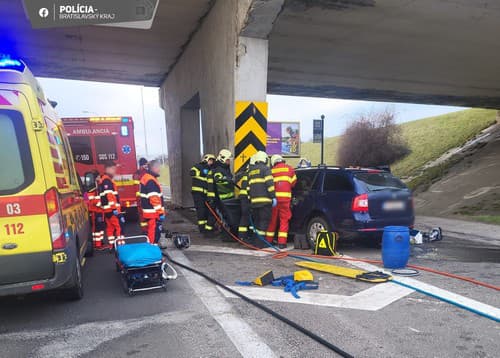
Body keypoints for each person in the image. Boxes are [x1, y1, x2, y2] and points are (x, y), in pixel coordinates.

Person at [266, 154, 297, 249]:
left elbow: (268, 185)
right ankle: (282, 243)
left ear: (273, 162)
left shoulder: (271, 171)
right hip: (285, 200)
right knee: (284, 220)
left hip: (274, 200)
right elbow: (293, 183)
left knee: (272, 221)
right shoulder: (290, 169)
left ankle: (268, 241)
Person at [246, 151, 276, 239]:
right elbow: (270, 185)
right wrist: (273, 197)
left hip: (254, 202)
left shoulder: (251, 171)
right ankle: (260, 242)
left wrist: (249, 199)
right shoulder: (266, 169)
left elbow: (248, 187)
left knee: (257, 222)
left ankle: (256, 240)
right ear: (265, 159)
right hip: (265, 202)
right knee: (264, 222)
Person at [205, 149, 234, 235]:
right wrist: (227, 179)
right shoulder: (218, 169)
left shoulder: (224, 168)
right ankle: (209, 232)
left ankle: (211, 230)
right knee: (216, 215)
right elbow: (218, 179)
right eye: (228, 160)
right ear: (223, 159)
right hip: (217, 197)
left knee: (216, 215)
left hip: (222, 197)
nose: (229, 162)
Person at [140, 160, 166, 244]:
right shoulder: (150, 180)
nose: (159, 170)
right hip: (153, 213)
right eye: (158, 168)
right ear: (154, 168)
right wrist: (160, 213)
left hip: (150, 212)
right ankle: (153, 252)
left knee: (152, 232)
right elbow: (154, 198)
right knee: (154, 234)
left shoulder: (147, 177)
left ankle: (153, 250)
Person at [99, 162, 122, 247]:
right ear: (108, 169)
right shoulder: (107, 180)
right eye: (113, 169)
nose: (115, 171)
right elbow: (110, 196)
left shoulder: (104, 180)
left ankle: (112, 245)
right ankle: (120, 245)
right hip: (111, 210)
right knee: (119, 227)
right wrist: (114, 209)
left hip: (107, 210)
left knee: (110, 228)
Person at [190, 154, 215, 232]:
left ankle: (206, 228)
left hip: (206, 194)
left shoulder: (211, 170)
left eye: (212, 161)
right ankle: (202, 228)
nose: (211, 162)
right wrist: (202, 173)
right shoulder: (198, 166)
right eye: (210, 160)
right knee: (201, 211)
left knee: (206, 211)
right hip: (198, 193)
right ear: (206, 159)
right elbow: (192, 172)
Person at [86, 170, 105, 249]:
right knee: (97, 228)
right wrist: (101, 205)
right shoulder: (92, 188)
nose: (99, 178)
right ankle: (97, 244)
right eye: (98, 177)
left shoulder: (96, 186)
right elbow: (92, 200)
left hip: (99, 210)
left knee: (100, 227)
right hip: (95, 211)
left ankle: (100, 242)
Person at [134, 158, 149, 234]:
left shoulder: (136, 174)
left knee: (142, 215)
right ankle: (146, 230)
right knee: (145, 215)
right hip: (143, 198)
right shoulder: (144, 173)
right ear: (143, 164)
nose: (147, 166)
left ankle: (145, 230)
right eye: (146, 164)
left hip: (140, 198)